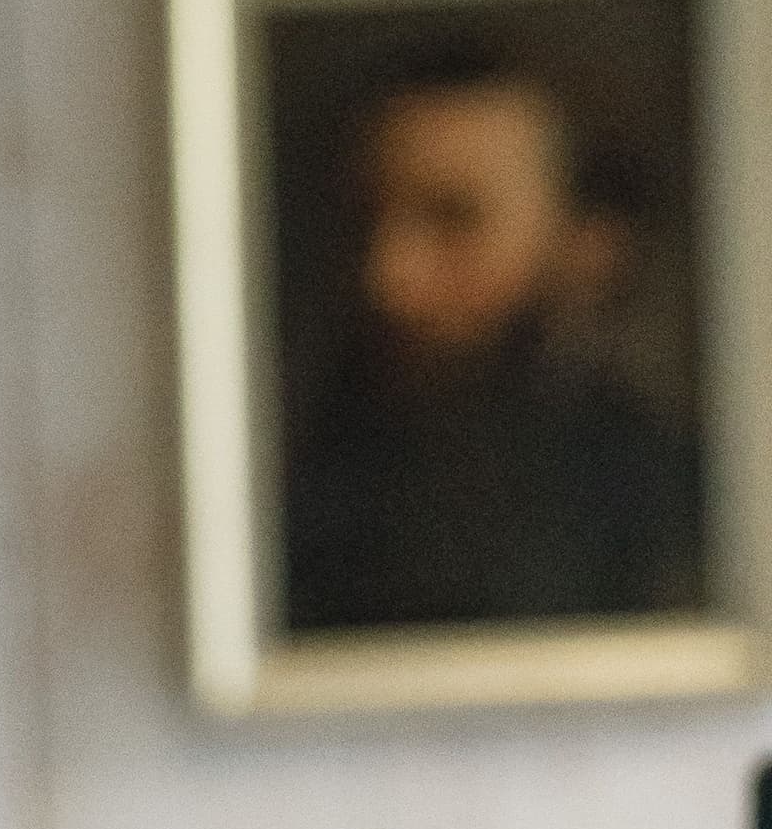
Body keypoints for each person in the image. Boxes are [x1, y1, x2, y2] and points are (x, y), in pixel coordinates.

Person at [280, 40, 701, 632]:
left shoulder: (664, 495)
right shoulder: (309, 471)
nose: (388, 279)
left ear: (585, 250)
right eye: (368, 218)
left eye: (454, 219)